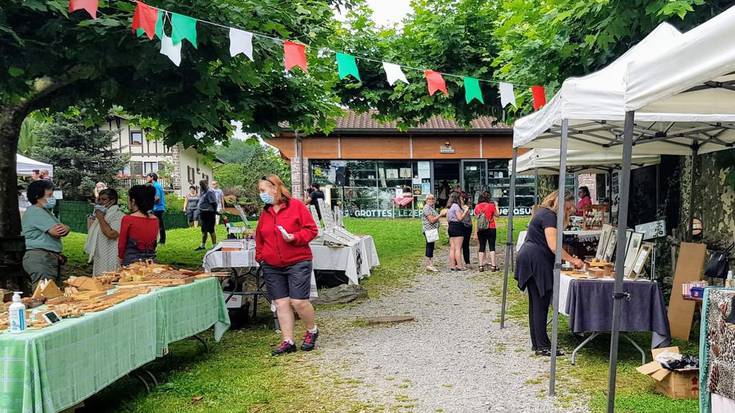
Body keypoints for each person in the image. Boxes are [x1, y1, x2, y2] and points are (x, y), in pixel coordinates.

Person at [255, 174, 319, 356]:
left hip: (297, 261)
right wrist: (261, 257)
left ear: (274, 188)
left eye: (262, 190)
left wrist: (294, 237)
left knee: (298, 301)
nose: (261, 194)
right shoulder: (265, 212)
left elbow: (312, 230)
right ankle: (288, 340)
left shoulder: (296, 206)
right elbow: (259, 236)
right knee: (281, 303)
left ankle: (312, 330)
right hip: (272, 264)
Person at [515, 191, 583, 356]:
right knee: (541, 303)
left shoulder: (543, 213)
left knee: (536, 304)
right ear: (561, 203)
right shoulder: (550, 216)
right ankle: (543, 346)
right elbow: (553, 246)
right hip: (536, 260)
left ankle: (538, 344)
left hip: (530, 258)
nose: (571, 210)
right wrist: (574, 261)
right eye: (569, 207)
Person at [22, 180, 70, 289]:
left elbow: (63, 228)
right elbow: (57, 231)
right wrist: (66, 228)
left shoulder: (45, 211)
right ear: (37, 196)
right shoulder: (36, 211)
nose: (52, 198)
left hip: (47, 258)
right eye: (49, 195)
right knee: (44, 293)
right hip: (41, 258)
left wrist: (66, 228)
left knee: (51, 292)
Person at [85, 189, 124, 275]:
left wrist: (100, 217)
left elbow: (112, 234)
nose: (100, 202)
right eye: (99, 199)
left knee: (109, 280)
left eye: (104, 199)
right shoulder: (102, 213)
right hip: (100, 254)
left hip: (111, 255)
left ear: (113, 200)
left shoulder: (118, 215)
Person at [118, 185, 159, 266]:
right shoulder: (155, 219)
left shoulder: (128, 219)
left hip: (131, 262)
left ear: (133, 201)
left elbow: (122, 244)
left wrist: (120, 259)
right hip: (151, 261)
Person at [474, 192, 500, 272]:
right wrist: (496, 206)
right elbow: (497, 215)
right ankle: (493, 265)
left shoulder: (477, 207)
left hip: (481, 228)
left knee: (482, 247)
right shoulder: (491, 206)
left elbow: (476, 218)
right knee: (492, 247)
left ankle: (480, 266)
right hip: (491, 227)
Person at [446, 191, 469, 271]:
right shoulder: (456, 206)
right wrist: (465, 211)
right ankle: (460, 265)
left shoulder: (450, 207)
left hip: (451, 226)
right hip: (457, 227)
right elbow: (459, 218)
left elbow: (447, 219)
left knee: (452, 248)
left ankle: (452, 265)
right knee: (458, 248)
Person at [196, 180, 218, 251]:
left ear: (206, 184)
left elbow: (214, 203)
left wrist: (214, 211)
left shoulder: (210, 192)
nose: (201, 186)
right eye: (200, 185)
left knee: (211, 229)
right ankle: (202, 245)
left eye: (202, 184)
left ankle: (214, 245)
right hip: (203, 213)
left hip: (209, 213)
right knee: (203, 230)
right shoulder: (202, 192)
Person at [421, 194, 440, 272]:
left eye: (432, 199)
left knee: (431, 246)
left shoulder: (430, 208)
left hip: (431, 230)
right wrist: (440, 215)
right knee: (430, 246)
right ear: (426, 200)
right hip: (429, 230)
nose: (431, 200)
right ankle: (429, 264)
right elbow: (431, 220)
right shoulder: (427, 208)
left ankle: (430, 263)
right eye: (429, 199)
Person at [146, 172, 166, 245]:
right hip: (158, 208)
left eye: (147, 177)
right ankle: (160, 240)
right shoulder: (156, 185)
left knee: (157, 225)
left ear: (152, 177)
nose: (146, 178)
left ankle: (160, 241)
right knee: (159, 225)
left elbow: (157, 198)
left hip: (157, 208)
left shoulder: (156, 186)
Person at [460, 196, 473, 267]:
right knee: (459, 245)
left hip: (467, 226)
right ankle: (458, 262)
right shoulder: (456, 207)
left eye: (462, 199)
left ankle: (467, 261)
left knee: (466, 244)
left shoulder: (465, 207)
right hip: (461, 226)